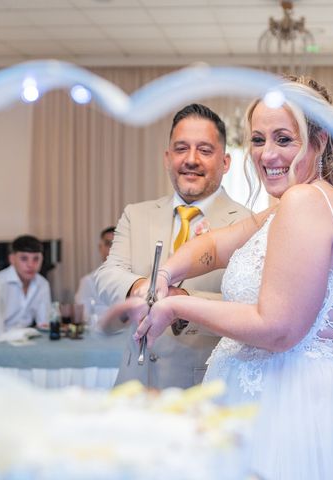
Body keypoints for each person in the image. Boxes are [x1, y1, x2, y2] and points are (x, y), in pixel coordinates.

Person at [107, 77, 333, 478]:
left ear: (319, 141)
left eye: (284, 139)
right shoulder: (301, 202)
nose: (267, 154)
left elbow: (276, 329)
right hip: (280, 400)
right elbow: (218, 245)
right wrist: (166, 272)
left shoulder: (305, 202)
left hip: (285, 412)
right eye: (257, 139)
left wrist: (176, 304)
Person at [94, 103, 251, 389]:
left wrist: (182, 300)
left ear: (225, 162)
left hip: (204, 389)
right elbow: (107, 276)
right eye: (181, 149)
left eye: (204, 150)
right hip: (135, 386)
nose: (191, 159)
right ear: (167, 158)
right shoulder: (136, 214)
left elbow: (251, 309)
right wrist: (141, 286)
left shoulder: (247, 224)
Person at [0, 235, 51, 342]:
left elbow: (44, 326)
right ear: (12, 259)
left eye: (36, 259)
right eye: (24, 259)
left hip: (22, 344)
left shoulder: (42, 284)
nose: (30, 265)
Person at [74, 226, 115, 316]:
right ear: (100, 247)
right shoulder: (88, 282)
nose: (113, 249)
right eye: (109, 244)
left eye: (118, 244)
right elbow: (83, 318)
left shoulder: (135, 281)